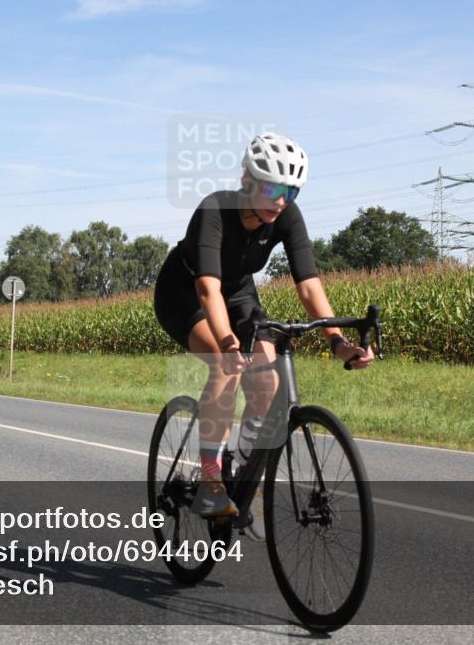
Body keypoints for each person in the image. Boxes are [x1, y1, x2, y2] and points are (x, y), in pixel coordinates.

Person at [154, 133, 375, 519]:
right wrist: (226, 341)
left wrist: (337, 342)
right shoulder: (215, 209)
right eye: (273, 188)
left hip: (238, 291)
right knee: (225, 364)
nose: (281, 201)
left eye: (291, 192)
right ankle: (210, 482)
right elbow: (207, 288)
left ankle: (244, 479)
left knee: (267, 381)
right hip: (184, 291)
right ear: (248, 182)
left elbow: (308, 287)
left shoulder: (286, 215)